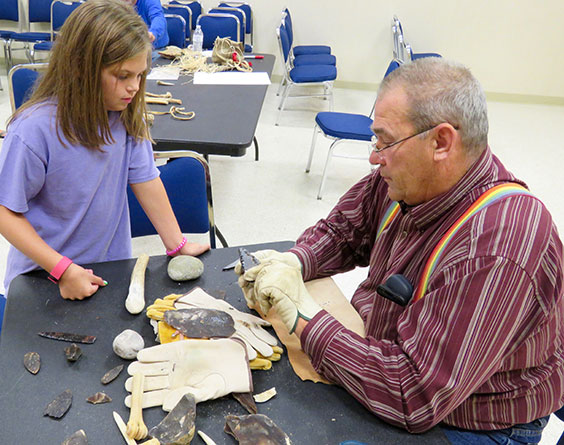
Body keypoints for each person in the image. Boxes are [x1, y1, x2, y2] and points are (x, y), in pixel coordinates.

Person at [239, 58, 564, 443]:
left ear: (441, 142)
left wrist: (304, 320)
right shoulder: (408, 179)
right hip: (398, 363)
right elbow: (344, 231)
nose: (374, 157)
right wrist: (295, 261)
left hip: (469, 420)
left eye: (386, 142)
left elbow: (413, 396)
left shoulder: (498, 246)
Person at [0, 0, 208, 302]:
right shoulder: (33, 130)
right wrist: (63, 270)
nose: (135, 87)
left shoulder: (122, 116)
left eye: (140, 75)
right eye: (123, 76)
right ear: (81, 69)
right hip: (43, 277)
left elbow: (146, 180)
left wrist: (176, 245)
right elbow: (6, 212)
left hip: (108, 271)